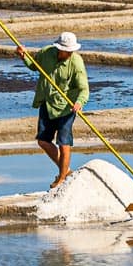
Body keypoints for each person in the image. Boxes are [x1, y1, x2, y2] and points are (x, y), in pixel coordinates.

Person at [16, 31, 89, 190]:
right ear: (59, 48)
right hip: (48, 103)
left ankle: (62, 177)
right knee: (43, 140)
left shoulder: (76, 62)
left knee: (64, 143)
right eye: (66, 51)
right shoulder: (46, 53)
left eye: (71, 51)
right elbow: (34, 66)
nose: (69, 53)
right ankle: (66, 170)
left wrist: (79, 102)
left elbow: (84, 88)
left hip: (67, 106)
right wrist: (23, 56)